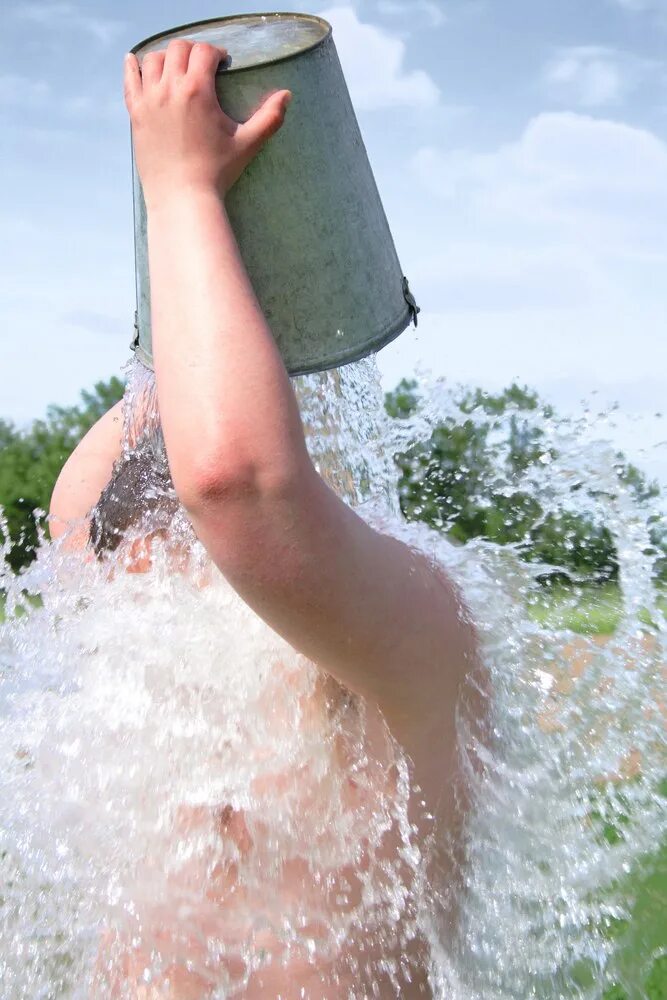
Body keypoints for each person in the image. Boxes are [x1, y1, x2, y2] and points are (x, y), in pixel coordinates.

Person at [49, 39, 484, 998]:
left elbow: (238, 479)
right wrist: (179, 218)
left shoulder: (417, 623)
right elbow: (122, 487)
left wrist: (183, 198)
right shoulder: (151, 634)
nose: (143, 557)